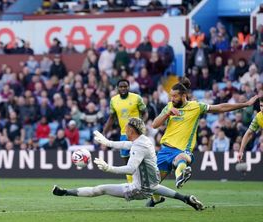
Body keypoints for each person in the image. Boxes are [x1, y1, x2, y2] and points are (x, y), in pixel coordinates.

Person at [147, 77, 258, 207]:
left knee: (180, 159)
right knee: (151, 184)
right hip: (165, 150)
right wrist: (167, 114)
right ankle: (156, 199)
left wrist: (245, 104)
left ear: (184, 95)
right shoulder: (169, 107)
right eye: (171, 96)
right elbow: (154, 125)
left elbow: (221, 107)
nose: (172, 99)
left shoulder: (196, 107)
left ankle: (180, 176)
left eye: (175, 96)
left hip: (182, 150)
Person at [52, 118, 205, 211]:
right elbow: (127, 144)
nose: (124, 129)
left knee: (100, 189)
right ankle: (187, 199)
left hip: (139, 189)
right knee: (156, 188)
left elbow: (131, 169)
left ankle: (65, 192)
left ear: (131, 130)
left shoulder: (139, 147)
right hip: (152, 183)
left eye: (126, 128)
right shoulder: (143, 140)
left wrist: (108, 168)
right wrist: (107, 142)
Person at [103, 79, 147, 182]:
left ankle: (143, 181)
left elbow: (145, 113)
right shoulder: (113, 100)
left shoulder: (136, 98)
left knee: (139, 159)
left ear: (129, 87)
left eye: (125, 86)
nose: (123, 88)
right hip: (124, 133)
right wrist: (104, 131)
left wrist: (141, 125)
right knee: (126, 160)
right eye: (121, 87)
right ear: (117, 88)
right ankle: (131, 184)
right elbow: (111, 117)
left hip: (137, 134)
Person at [238, 97, 263, 162]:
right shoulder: (258, 117)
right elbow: (248, 134)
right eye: (261, 105)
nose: (262, 108)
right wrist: (241, 151)